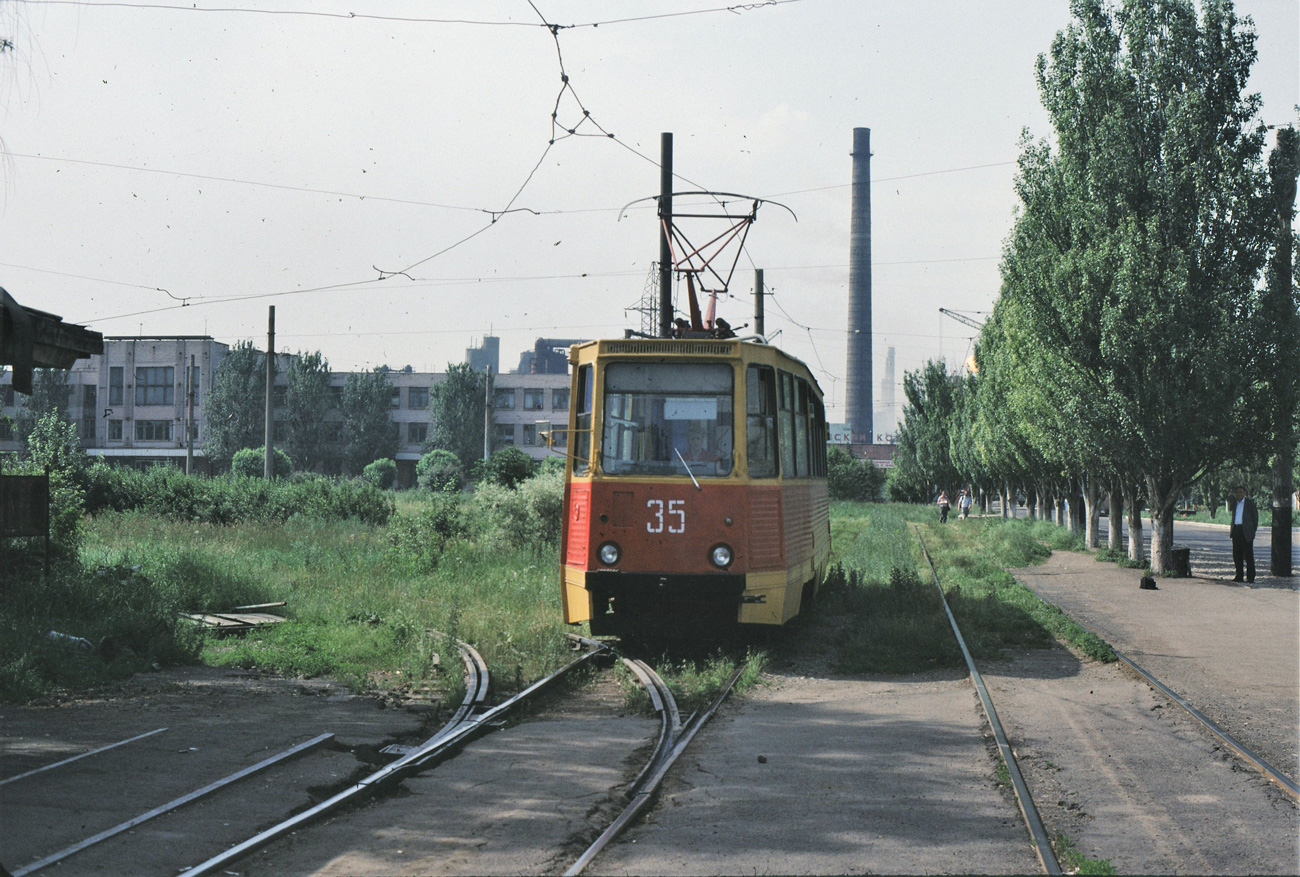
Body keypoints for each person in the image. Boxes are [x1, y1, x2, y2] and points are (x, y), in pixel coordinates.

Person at [1228, 485, 1258, 583]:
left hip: (1246, 531)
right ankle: (1239, 576)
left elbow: (1255, 518)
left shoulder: (1250, 503)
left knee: (1248, 555)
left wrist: (1252, 531)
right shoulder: (1234, 503)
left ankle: (1250, 577)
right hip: (1236, 530)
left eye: (1241, 492)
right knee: (1237, 555)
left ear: (1245, 493)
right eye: (1237, 492)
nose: (1239, 494)